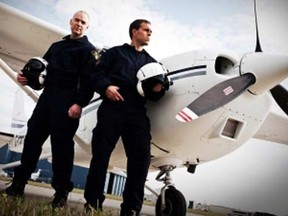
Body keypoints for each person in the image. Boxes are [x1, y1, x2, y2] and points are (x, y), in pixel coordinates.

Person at [3, 10, 96, 208]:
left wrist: (79, 103)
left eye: (83, 22)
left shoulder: (88, 51)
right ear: (70, 22)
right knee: (32, 142)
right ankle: (18, 184)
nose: (79, 24)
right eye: (77, 20)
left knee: (62, 149)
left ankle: (61, 193)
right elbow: (40, 70)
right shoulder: (56, 47)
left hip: (67, 103)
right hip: (46, 101)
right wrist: (25, 78)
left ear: (87, 27)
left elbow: (89, 82)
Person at [84, 19, 169, 216]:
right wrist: (106, 87)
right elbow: (95, 74)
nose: (150, 34)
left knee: (141, 159)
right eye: (146, 30)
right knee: (100, 155)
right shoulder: (114, 53)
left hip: (137, 113)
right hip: (112, 108)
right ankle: (93, 203)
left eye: (151, 31)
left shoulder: (152, 62)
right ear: (134, 31)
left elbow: (156, 95)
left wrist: (158, 89)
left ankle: (131, 209)